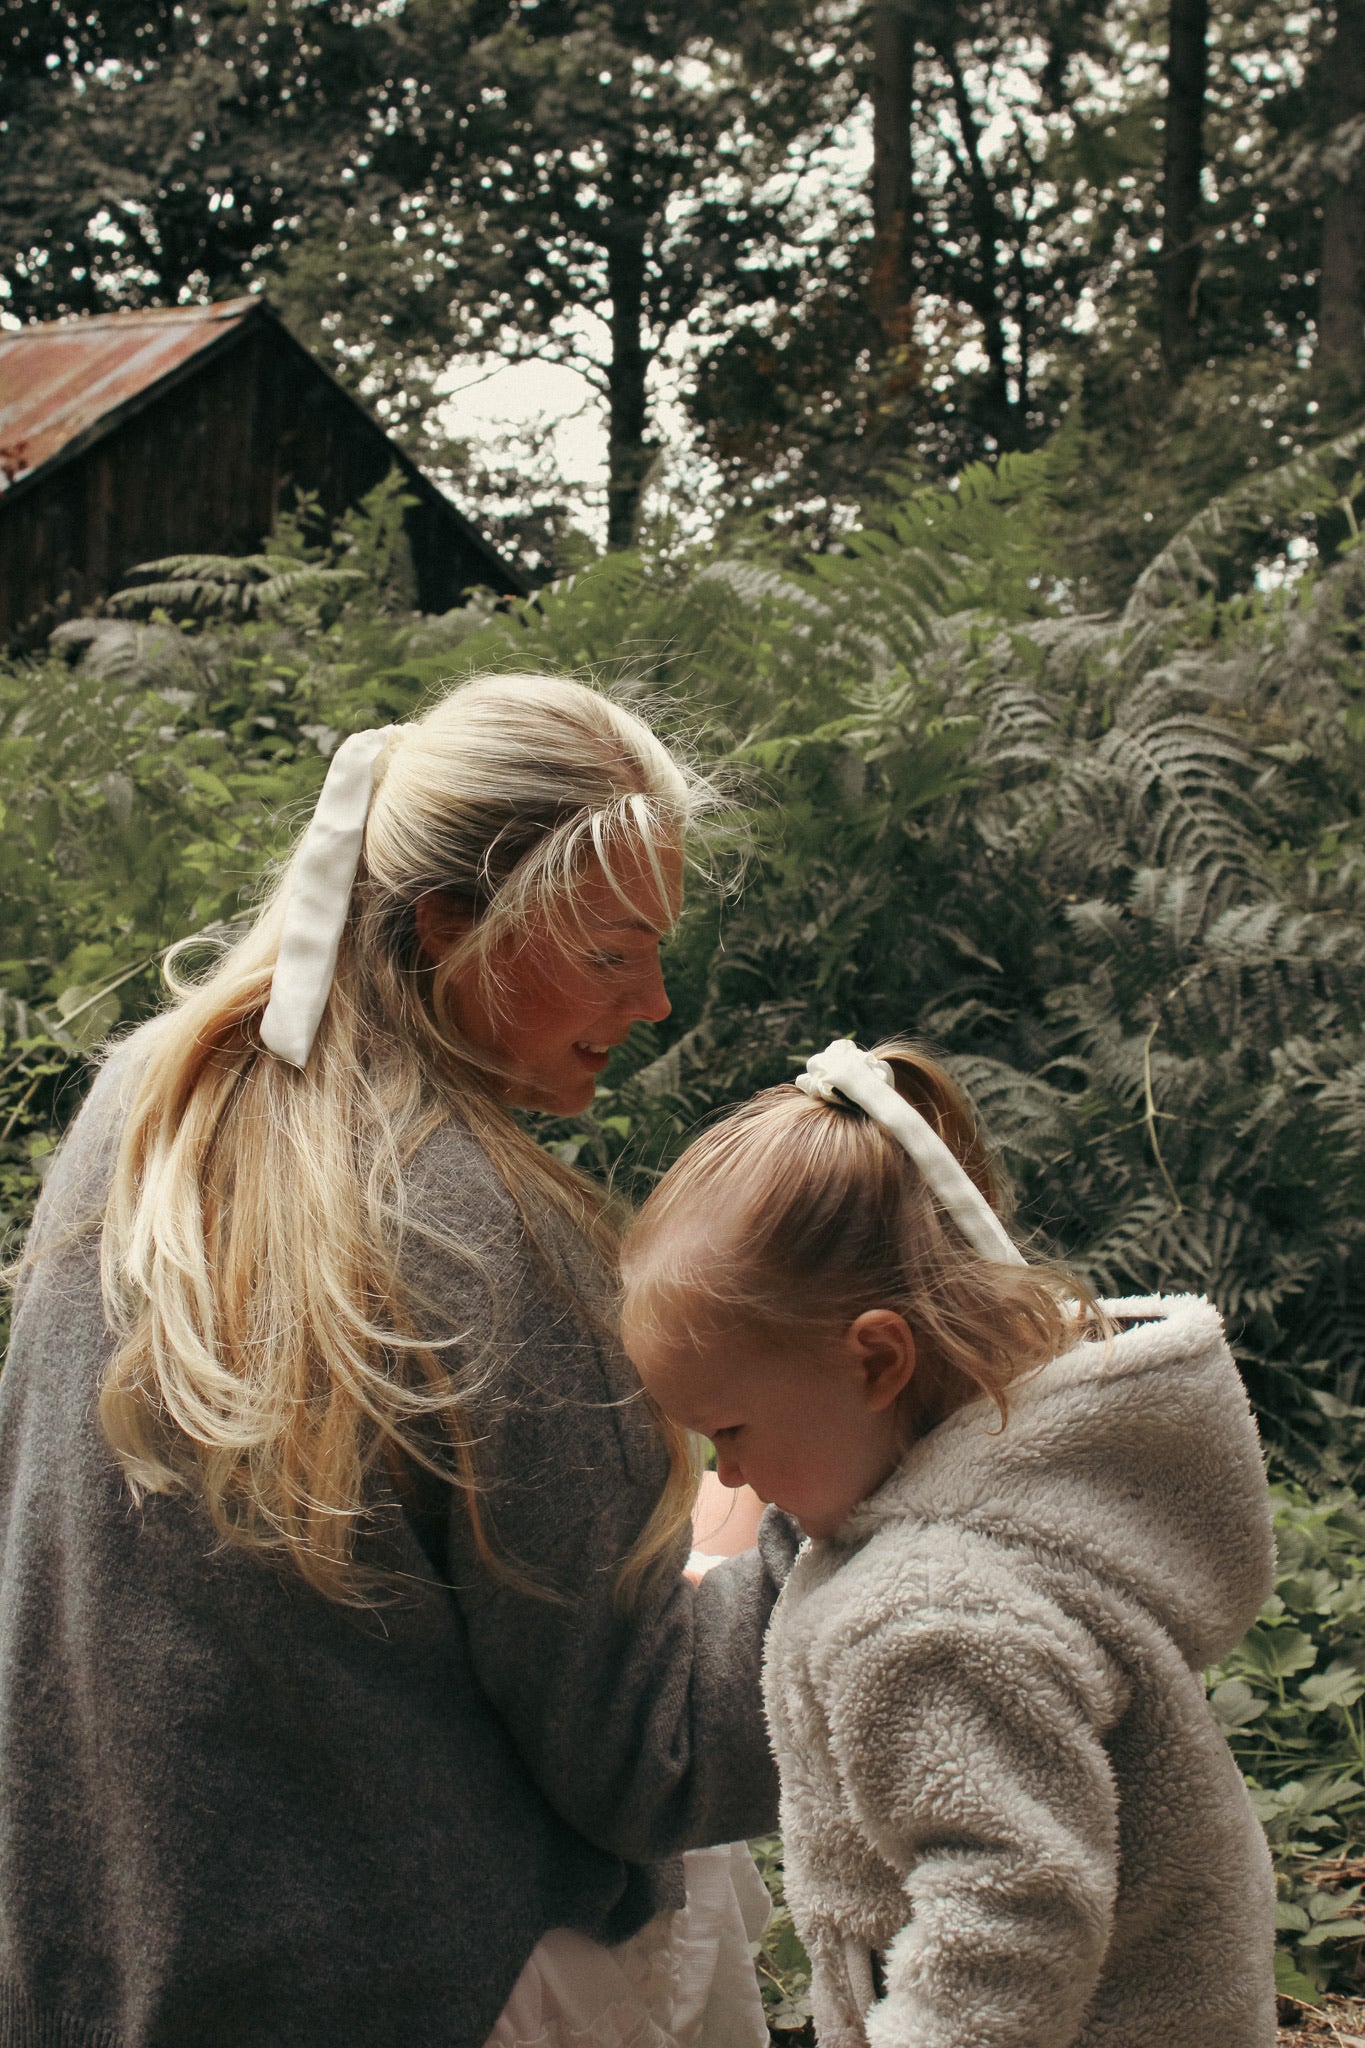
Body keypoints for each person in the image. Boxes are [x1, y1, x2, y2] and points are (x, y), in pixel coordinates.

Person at [0, 673, 795, 2048]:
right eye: (611, 952)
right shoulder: (496, 1243)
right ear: (449, 930)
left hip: (100, 1964)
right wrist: (848, 1492)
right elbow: (659, 1763)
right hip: (402, 1987)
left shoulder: (152, 1094)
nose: (657, 999)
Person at [619, 1036, 1278, 2048]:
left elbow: (1012, 1921)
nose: (730, 1477)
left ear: (877, 1358)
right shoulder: (998, 1519)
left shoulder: (929, 1615)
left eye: (734, 1430)